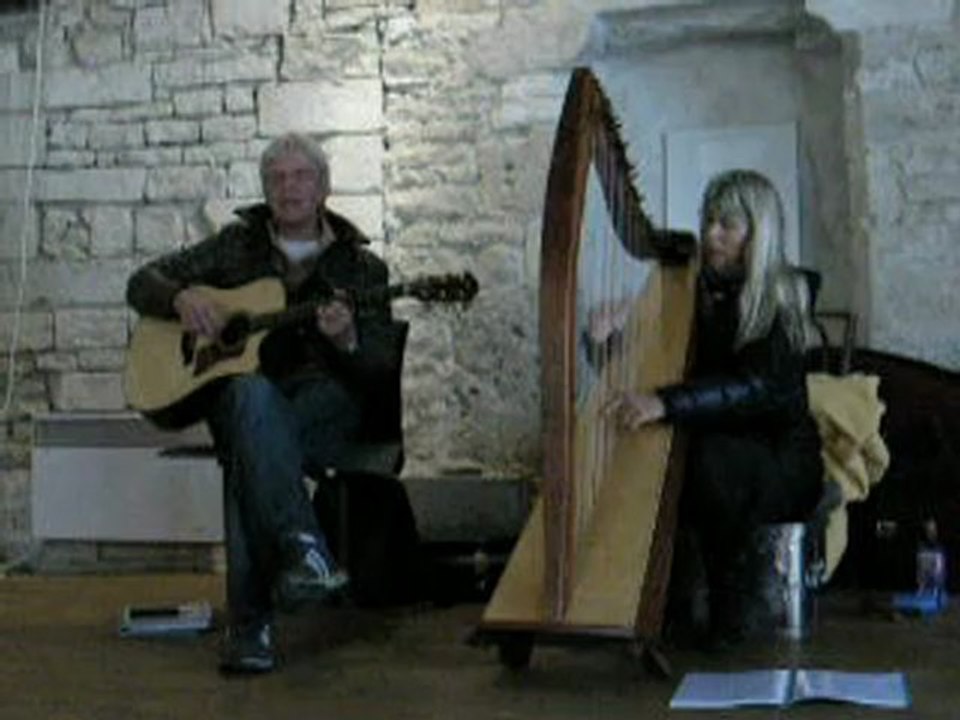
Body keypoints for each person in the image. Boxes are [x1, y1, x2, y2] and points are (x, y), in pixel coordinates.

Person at [126, 132, 400, 674]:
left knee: (248, 451)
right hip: (245, 397)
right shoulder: (235, 246)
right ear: (266, 189)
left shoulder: (362, 270)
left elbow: (378, 371)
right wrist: (179, 297)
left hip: (324, 405)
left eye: (301, 176)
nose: (288, 188)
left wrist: (346, 340)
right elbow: (141, 282)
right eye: (277, 178)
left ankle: (252, 628)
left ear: (323, 188)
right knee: (251, 400)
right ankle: (305, 549)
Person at [607, 169, 824, 645]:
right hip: (725, 453)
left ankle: (726, 611)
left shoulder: (786, 297)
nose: (711, 235)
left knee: (706, 459)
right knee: (662, 447)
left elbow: (754, 387)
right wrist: (606, 337)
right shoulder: (695, 292)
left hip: (782, 462)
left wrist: (665, 403)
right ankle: (655, 603)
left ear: (758, 233)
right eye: (708, 220)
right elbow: (639, 370)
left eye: (727, 224)